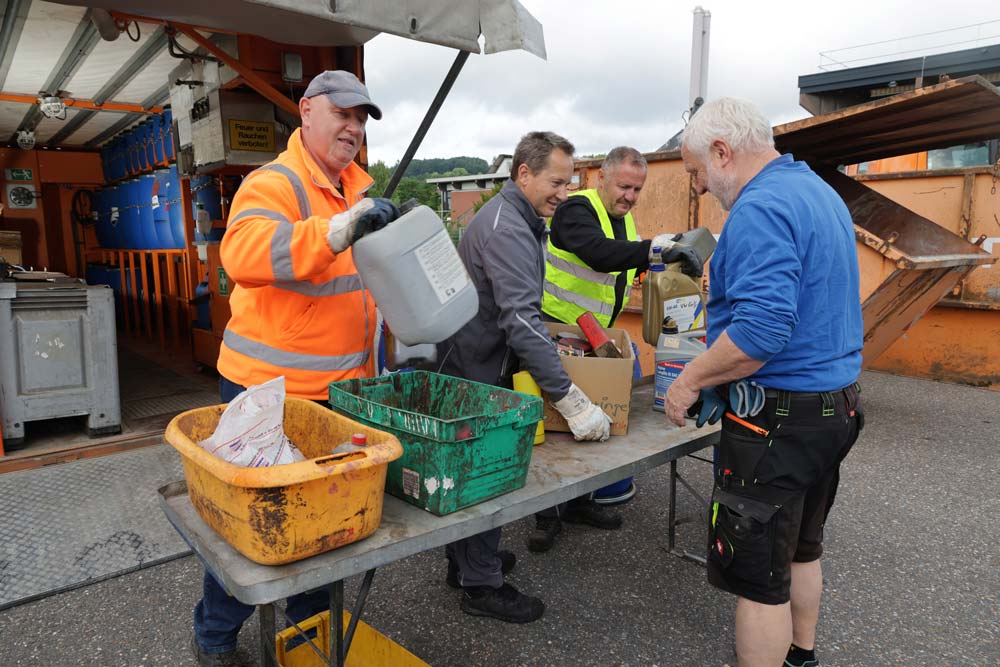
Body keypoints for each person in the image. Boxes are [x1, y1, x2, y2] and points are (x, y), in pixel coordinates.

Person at [190, 70, 401, 667]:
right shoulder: (274, 183)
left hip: (339, 393)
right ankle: (214, 637)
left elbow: (365, 285)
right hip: (268, 393)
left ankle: (305, 633)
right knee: (251, 529)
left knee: (322, 523)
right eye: (344, 114)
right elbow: (245, 253)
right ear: (306, 112)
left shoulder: (358, 191)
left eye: (363, 119)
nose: (354, 128)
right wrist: (339, 231)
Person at [664, 97, 864, 667]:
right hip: (835, 409)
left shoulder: (759, 208)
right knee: (800, 549)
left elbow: (762, 329)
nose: (700, 188)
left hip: (777, 422)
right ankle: (802, 656)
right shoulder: (818, 192)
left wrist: (690, 381)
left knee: (759, 582)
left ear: (723, 152)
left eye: (697, 174)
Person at [436, 131, 613, 623]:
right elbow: (521, 320)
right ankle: (482, 585)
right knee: (484, 477)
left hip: (470, 361)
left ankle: (466, 562)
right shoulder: (508, 229)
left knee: (470, 474)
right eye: (556, 181)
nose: (564, 192)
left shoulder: (517, 217)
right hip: (473, 368)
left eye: (570, 182)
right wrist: (571, 400)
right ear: (524, 174)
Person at [530, 146, 704, 553]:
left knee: (587, 428)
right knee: (554, 428)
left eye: (637, 189)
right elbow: (598, 253)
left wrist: (669, 264)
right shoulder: (575, 209)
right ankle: (544, 516)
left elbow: (626, 265)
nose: (630, 196)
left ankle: (577, 503)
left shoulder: (624, 222)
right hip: (554, 334)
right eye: (624, 186)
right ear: (602, 179)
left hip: (594, 339)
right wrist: (655, 248)